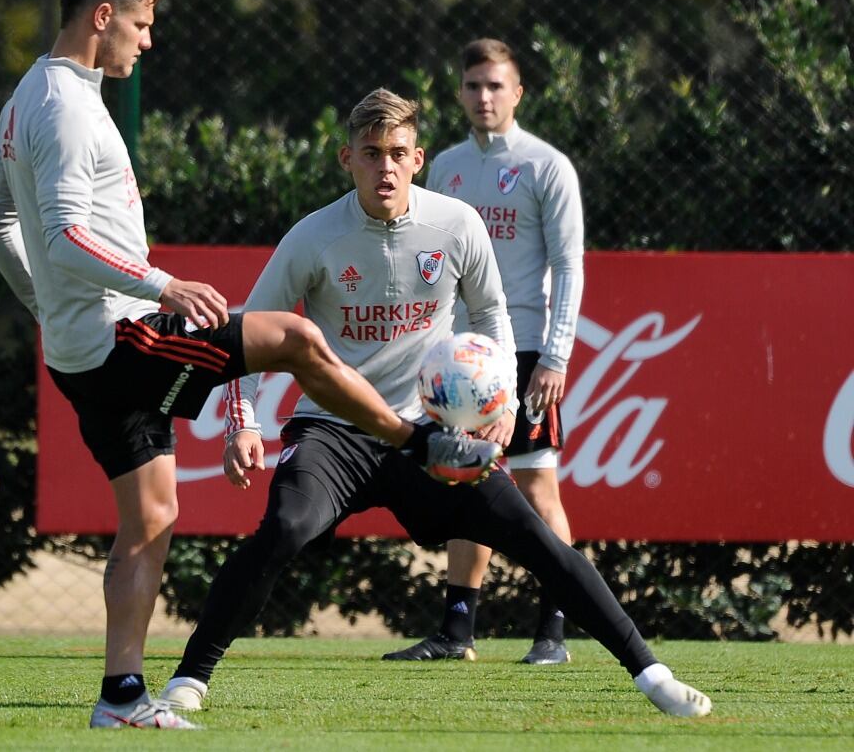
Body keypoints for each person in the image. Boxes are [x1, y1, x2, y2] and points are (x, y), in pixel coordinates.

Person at [0, 0, 494, 731]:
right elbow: (65, 232)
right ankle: (410, 441)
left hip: (80, 352)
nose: (146, 44)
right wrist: (162, 285)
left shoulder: (25, 97)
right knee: (294, 337)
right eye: (141, 26)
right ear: (103, 16)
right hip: (127, 335)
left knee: (151, 515)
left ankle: (120, 698)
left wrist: (46, 307)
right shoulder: (67, 109)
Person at [158, 88, 711, 718]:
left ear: (418, 158)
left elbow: (492, 313)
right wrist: (244, 423)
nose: (385, 167)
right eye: (371, 154)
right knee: (284, 528)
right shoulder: (313, 238)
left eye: (397, 153)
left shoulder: (456, 224)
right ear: (347, 159)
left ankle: (652, 674)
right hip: (335, 433)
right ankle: (190, 679)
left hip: (431, 435)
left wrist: (499, 399)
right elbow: (253, 329)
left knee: (535, 537)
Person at [384, 38, 585, 666]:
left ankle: (553, 631)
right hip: (456, 359)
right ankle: (457, 632)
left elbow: (569, 266)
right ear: (461, 92)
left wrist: (555, 356)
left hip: (523, 353)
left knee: (536, 488)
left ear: (517, 92)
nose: (483, 97)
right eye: (473, 86)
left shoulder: (545, 167)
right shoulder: (443, 166)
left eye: (495, 86)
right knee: (465, 482)